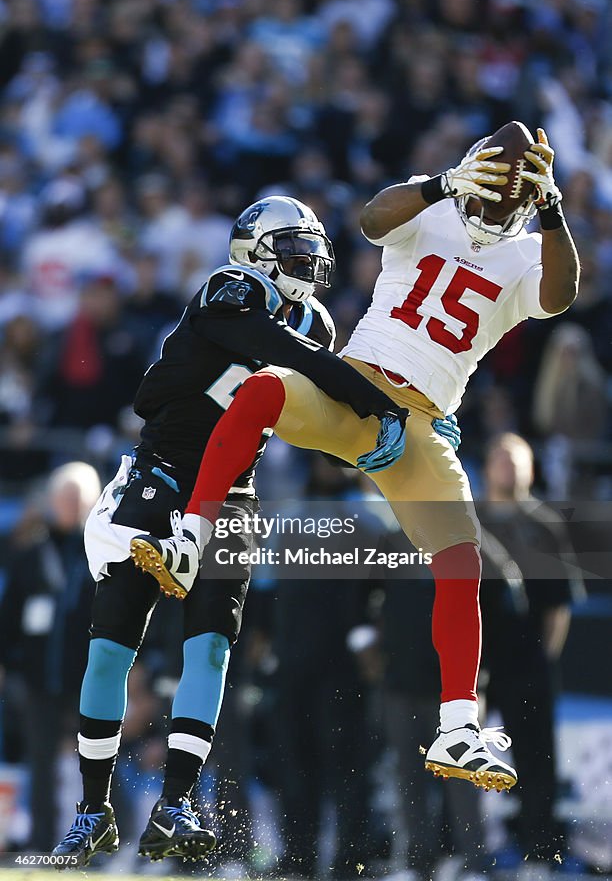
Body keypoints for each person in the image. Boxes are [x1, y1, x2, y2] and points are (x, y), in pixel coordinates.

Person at [157, 126, 579, 799]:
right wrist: (443, 182)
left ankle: (458, 725)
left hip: (420, 424)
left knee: (460, 557)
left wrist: (553, 212)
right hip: (351, 386)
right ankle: (192, 533)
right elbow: (372, 218)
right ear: (469, 170)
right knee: (262, 387)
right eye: (489, 187)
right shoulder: (431, 206)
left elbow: (559, 295)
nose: (496, 205)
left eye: (512, 198)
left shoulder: (529, 249)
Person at [51, 196, 422, 869]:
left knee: (213, 650)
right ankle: (92, 808)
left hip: (233, 495)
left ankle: (176, 805)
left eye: (313, 252)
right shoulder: (233, 290)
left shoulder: (311, 320)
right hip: (160, 479)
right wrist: (375, 401)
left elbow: (321, 393)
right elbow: (284, 355)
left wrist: (407, 416)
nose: (307, 265)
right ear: (253, 250)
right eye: (293, 249)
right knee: (111, 649)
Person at [478, 432, 584, 864]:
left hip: (528, 661)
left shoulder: (545, 526)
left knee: (537, 763)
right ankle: (461, 853)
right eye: (499, 456)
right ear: (485, 467)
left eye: (516, 457)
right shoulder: (468, 520)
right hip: (477, 664)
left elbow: (560, 607)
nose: (508, 464)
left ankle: (539, 854)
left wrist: (543, 657)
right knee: (460, 760)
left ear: (531, 468)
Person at [0, 462, 101, 851]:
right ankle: (43, 846)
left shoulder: (98, 552)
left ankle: (105, 842)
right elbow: (9, 615)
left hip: (88, 678)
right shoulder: (32, 554)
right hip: (40, 677)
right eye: (64, 497)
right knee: (40, 763)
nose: (70, 505)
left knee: (98, 761)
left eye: (78, 498)